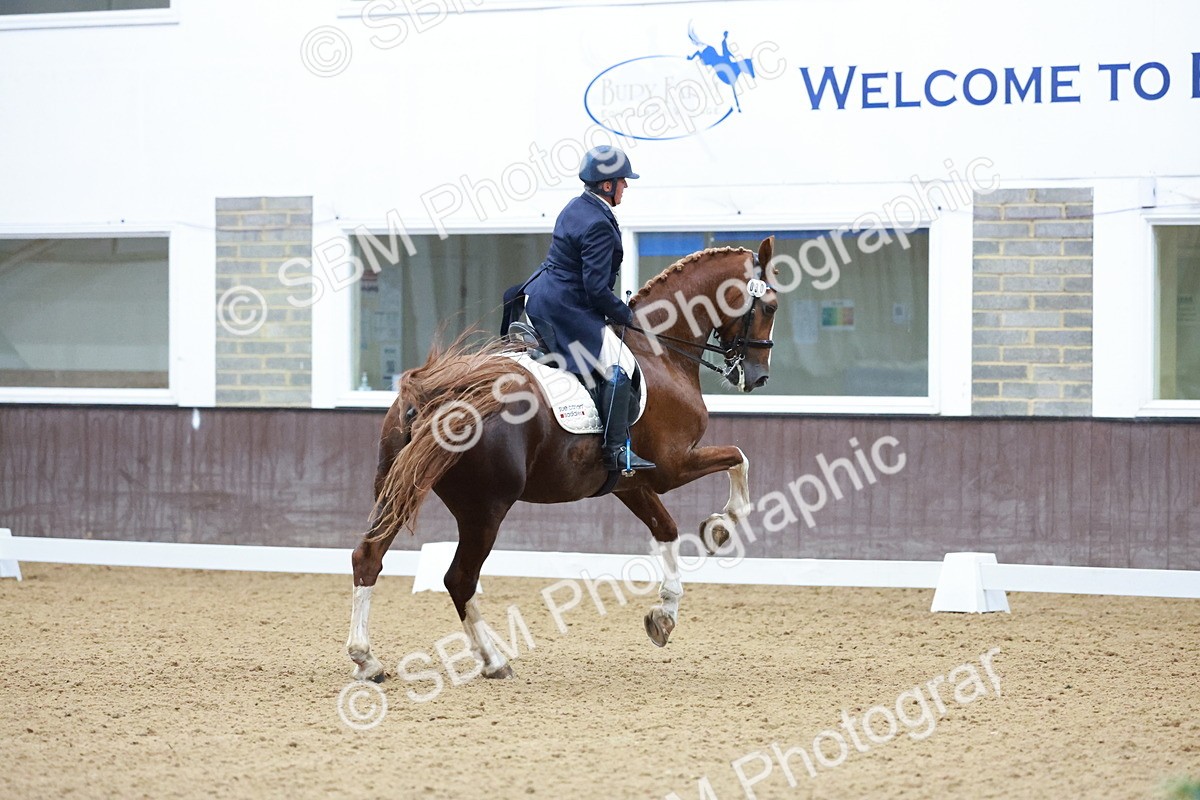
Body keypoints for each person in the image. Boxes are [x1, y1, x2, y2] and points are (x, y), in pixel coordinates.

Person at [522, 145, 655, 474]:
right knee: (619, 366)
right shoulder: (597, 222)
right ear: (607, 185)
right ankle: (617, 451)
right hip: (565, 307)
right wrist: (626, 315)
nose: (626, 186)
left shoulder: (575, 207)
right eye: (623, 181)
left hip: (540, 296)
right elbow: (596, 289)